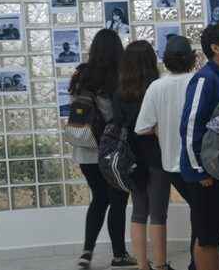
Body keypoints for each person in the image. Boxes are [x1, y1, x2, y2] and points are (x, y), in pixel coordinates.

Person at [136, 36, 219, 270]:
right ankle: (201, 264)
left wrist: (162, 131)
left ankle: (205, 262)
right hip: (201, 163)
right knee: (203, 219)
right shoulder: (201, 80)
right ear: (193, 58)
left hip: (172, 166)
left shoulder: (156, 86)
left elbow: (143, 127)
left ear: (165, 61)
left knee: (200, 216)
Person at [69, 29, 137, 270]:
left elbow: (74, 107)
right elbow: (112, 115)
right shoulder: (117, 76)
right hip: (110, 150)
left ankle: (86, 253)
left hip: (85, 147)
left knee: (98, 199)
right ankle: (119, 255)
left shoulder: (81, 74)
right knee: (117, 199)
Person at [179, 24, 219, 270]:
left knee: (212, 235)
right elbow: (190, 127)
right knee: (207, 238)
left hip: (217, 170)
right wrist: (199, 171)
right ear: (216, 48)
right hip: (204, 174)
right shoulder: (205, 79)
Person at [112, 41, 163, 270]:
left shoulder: (119, 92)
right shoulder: (157, 88)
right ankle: (160, 264)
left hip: (130, 158)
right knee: (158, 213)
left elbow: (120, 125)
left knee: (139, 211)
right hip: (157, 155)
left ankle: (142, 265)